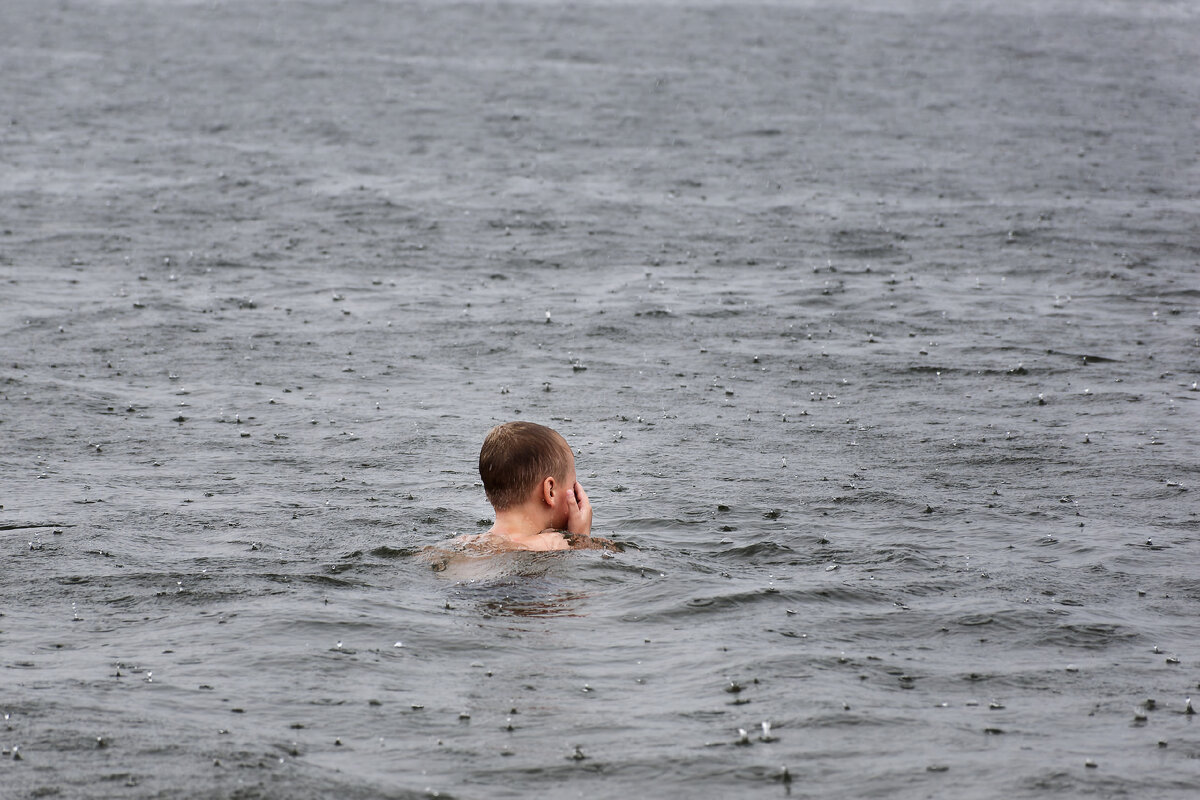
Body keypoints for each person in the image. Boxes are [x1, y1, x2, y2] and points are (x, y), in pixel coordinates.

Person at [457, 420, 603, 552]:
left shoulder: (466, 543)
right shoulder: (555, 543)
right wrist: (581, 539)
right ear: (550, 490)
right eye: (574, 486)